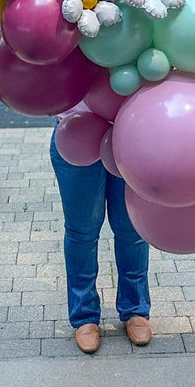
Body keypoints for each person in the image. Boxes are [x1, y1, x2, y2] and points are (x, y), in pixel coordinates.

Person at [49, 130, 151, 353]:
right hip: (78, 131)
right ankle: (84, 315)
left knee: (133, 229)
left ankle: (135, 309)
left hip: (130, 130)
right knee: (81, 233)